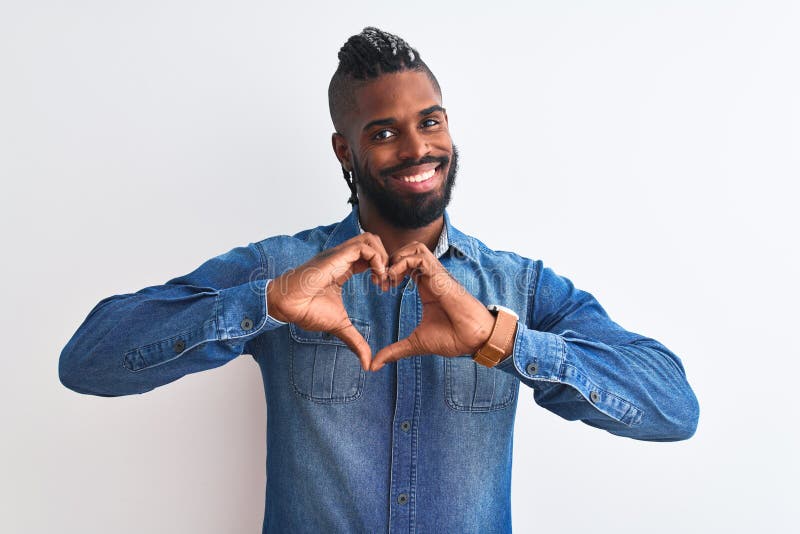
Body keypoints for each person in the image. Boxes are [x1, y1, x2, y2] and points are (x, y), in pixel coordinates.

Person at [59, 27, 699, 533]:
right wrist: (265, 303)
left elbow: (673, 407)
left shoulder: (518, 287)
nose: (418, 148)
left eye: (431, 121)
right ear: (346, 151)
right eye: (384, 132)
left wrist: (501, 342)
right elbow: (87, 362)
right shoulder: (281, 269)